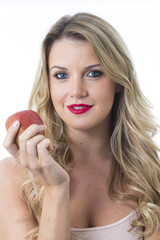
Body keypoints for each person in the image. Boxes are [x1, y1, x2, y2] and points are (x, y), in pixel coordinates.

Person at [1, 12, 160, 240]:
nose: (76, 91)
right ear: (48, 83)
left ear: (117, 81)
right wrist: (55, 188)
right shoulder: (13, 177)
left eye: (94, 73)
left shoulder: (148, 172)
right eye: (61, 75)